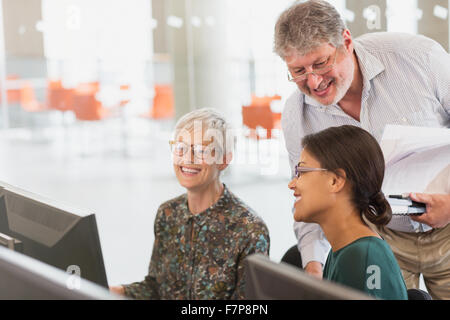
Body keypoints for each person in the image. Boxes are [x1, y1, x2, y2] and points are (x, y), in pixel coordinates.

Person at [274, 0, 450, 299]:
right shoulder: (298, 114)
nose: (314, 82)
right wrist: (313, 268)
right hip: (381, 234)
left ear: (345, 41)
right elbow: (310, 194)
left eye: (320, 63)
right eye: (299, 71)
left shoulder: (419, 58)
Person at [110, 108, 270, 299]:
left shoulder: (249, 230)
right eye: (181, 148)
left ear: (224, 159)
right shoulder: (167, 213)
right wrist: (115, 291)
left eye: (201, 150)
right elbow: (156, 288)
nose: (187, 158)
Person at [288, 125, 408, 299]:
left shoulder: (363, 256)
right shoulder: (340, 252)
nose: (292, 184)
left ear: (335, 181)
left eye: (302, 172)